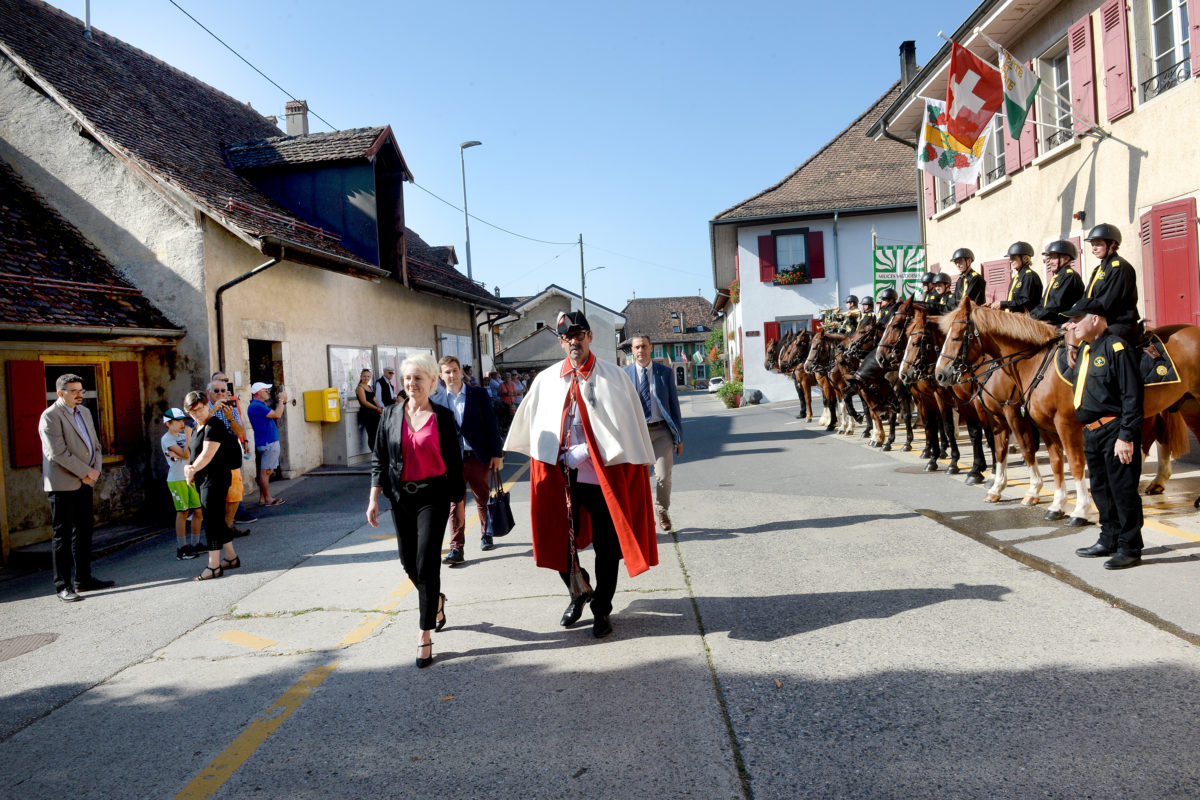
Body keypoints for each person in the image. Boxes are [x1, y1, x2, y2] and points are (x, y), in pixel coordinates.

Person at [505, 311, 656, 639]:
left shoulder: (613, 378)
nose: (574, 341)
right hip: (561, 478)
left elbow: (623, 429)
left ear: (589, 337)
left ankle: (602, 608)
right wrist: (557, 453)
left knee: (607, 545)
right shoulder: (546, 380)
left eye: (580, 334)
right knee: (557, 541)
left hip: (601, 479)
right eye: (567, 337)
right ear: (561, 343)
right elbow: (536, 428)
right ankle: (579, 590)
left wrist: (586, 449)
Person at [367, 353, 465, 668]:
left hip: (433, 497)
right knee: (408, 563)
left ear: (431, 382)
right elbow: (379, 458)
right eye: (407, 378)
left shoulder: (443, 418)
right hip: (400, 498)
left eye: (418, 378)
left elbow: (455, 464)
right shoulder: (391, 415)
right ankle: (435, 600)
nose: (411, 384)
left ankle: (425, 635)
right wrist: (373, 497)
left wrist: (459, 505)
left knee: (426, 565)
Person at [1064, 298, 1144, 570]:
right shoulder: (1086, 350)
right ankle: (1108, 537)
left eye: (1077, 319)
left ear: (1095, 319)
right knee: (1101, 489)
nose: (1071, 325)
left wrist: (1126, 436)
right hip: (1092, 432)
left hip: (1114, 431)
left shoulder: (1116, 348)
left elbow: (1132, 396)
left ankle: (1130, 547)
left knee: (1123, 490)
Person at [39, 373, 113, 601]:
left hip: (86, 481)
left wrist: (96, 471)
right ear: (60, 393)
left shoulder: (85, 412)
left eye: (81, 390)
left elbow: (96, 444)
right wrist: (86, 472)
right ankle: (63, 586)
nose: (80, 394)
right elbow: (57, 453)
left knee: (84, 531)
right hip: (63, 485)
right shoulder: (50, 416)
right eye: (75, 391)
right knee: (62, 535)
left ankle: (84, 579)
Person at [433, 355, 504, 565]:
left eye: (455, 370)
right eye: (447, 372)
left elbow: (491, 425)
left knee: (482, 497)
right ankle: (457, 548)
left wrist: (496, 453)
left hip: (477, 457)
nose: (452, 375)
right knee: (456, 503)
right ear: (441, 375)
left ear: (461, 372)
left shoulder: (478, 394)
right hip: (452, 461)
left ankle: (486, 533)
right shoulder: (437, 400)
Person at [625, 335, 684, 532]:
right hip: (637, 434)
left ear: (650, 348)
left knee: (663, 475)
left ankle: (662, 511)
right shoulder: (624, 375)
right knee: (636, 479)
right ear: (632, 351)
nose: (640, 350)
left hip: (661, 432)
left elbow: (674, 407)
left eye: (643, 346)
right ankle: (640, 517)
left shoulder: (664, 373)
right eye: (636, 347)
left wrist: (679, 437)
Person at [183, 390, 242, 581]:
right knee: (215, 519)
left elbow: (208, 453)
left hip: (214, 479)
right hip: (205, 479)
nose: (198, 413)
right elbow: (194, 452)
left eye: (200, 409)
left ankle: (214, 565)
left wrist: (191, 470)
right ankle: (231, 558)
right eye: (193, 411)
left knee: (211, 522)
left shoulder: (214, 425)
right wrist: (190, 468)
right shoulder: (198, 426)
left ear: (207, 405)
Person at [1083, 223, 1141, 345]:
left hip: (1119, 323)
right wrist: (1074, 318)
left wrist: (1084, 318)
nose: (1094, 248)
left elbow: (1106, 302)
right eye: (1093, 244)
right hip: (1102, 321)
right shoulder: (1098, 270)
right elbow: (1086, 297)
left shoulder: (1119, 268)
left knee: (1102, 348)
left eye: (1098, 244)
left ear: (1112, 245)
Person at [211, 371, 256, 528]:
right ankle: (221, 528)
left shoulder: (231, 406)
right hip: (212, 454)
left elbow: (239, 431)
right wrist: (213, 411)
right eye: (216, 391)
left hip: (229, 453)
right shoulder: (204, 407)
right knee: (217, 494)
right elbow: (199, 426)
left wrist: (229, 416)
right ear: (209, 392)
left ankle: (229, 527)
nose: (220, 393)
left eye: (223, 389)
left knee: (235, 492)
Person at [162, 407, 202, 560]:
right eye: (178, 421)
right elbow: (185, 453)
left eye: (183, 420)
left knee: (198, 510)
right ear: (168, 423)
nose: (182, 423)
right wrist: (188, 437)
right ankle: (182, 548)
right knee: (183, 512)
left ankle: (195, 543)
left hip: (190, 476)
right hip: (177, 478)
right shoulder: (167, 439)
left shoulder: (184, 434)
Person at [247, 382, 287, 506]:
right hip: (269, 441)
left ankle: (263, 498)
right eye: (265, 390)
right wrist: (281, 400)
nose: (268, 392)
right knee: (266, 471)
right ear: (257, 393)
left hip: (264, 441)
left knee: (264, 470)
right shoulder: (257, 406)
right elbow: (278, 414)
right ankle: (268, 499)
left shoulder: (255, 405)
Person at [1031, 240, 1086, 326]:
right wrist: (1029, 317)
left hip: (1063, 324)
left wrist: (1032, 319)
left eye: (1054, 258)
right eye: (1050, 258)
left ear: (1066, 258)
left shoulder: (1069, 276)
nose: (1050, 262)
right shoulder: (1058, 277)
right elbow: (1043, 304)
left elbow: (1054, 306)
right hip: (1050, 323)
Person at [990, 241, 1043, 313]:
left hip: (1027, 320)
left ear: (1025, 258)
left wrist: (1003, 304)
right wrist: (992, 305)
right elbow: (1013, 304)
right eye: (1010, 258)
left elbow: (1025, 302)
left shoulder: (1029, 276)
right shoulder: (1016, 278)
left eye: (1014, 258)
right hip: (1015, 318)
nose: (1010, 261)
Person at [356, 368, 383, 450]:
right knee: (372, 435)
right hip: (366, 414)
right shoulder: (360, 388)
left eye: (368, 376)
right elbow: (364, 402)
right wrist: (376, 408)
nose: (366, 378)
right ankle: (374, 456)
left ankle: (379, 455)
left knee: (378, 434)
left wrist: (380, 408)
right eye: (364, 376)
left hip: (374, 413)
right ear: (360, 376)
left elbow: (374, 399)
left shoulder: (369, 387)